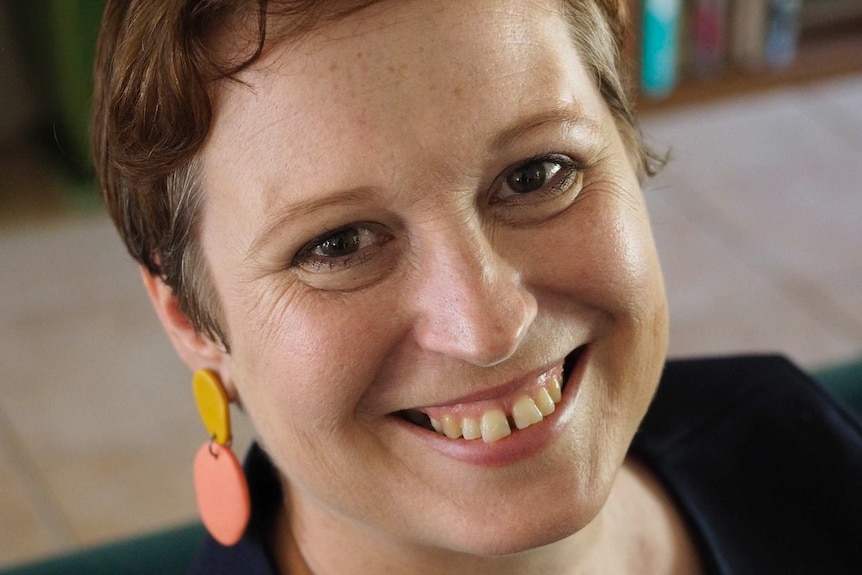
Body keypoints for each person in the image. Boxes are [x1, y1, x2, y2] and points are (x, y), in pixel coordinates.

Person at [91, 1, 862, 573]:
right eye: (338, 243)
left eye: (536, 174)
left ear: (627, 146)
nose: (489, 326)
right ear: (191, 316)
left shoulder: (788, 444)